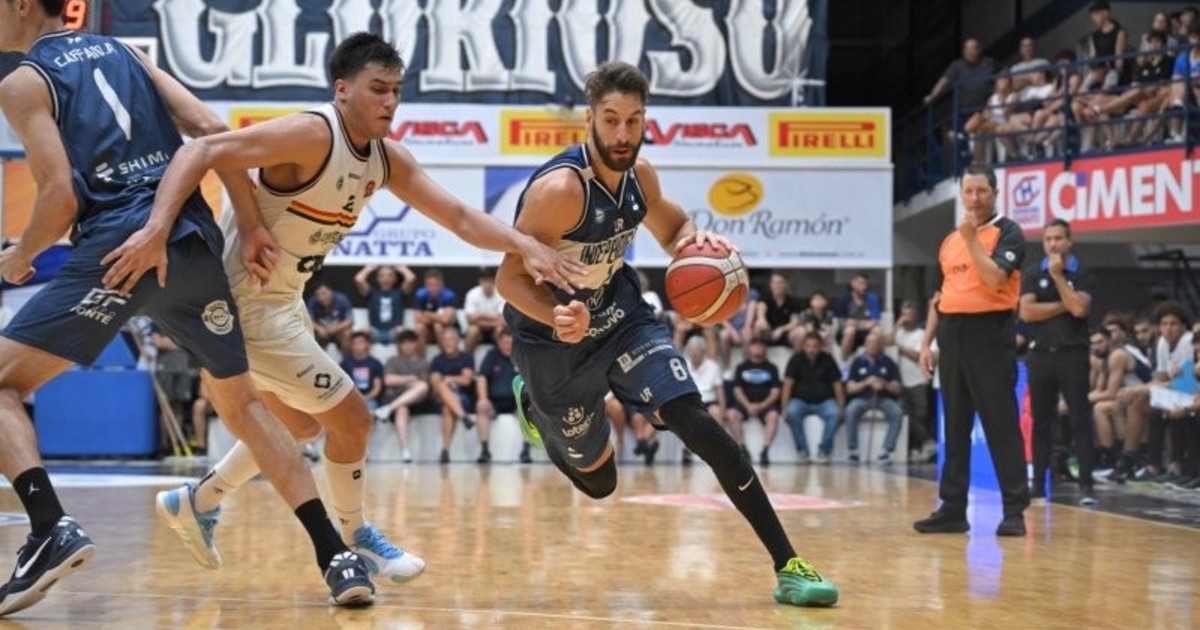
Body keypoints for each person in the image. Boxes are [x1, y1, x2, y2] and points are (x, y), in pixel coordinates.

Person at [110, 33, 582, 585]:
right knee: (352, 419)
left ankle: (199, 499)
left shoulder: (385, 158)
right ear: (342, 89)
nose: (390, 101)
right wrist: (159, 230)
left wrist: (524, 244)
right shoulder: (313, 133)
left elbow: (458, 217)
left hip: (284, 300)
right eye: (377, 89)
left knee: (301, 425)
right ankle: (356, 535)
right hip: (243, 304)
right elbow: (203, 149)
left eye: (396, 90)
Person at [0, 3, 375, 611]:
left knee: (0, 384)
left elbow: (60, 197)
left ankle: (49, 528)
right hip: (194, 247)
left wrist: (21, 255)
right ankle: (336, 556)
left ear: (21, 4)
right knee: (244, 407)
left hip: (123, 249)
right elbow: (211, 129)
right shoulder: (128, 53)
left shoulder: (22, 81)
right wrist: (248, 223)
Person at [497, 61, 837, 606]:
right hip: (552, 337)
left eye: (634, 120)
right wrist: (558, 314)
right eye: (611, 119)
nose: (623, 133)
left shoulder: (641, 176)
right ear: (590, 119)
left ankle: (789, 566)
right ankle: (537, 409)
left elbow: (675, 228)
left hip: (621, 316)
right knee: (599, 483)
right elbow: (509, 279)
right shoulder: (559, 191)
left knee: (700, 425)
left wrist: (701, 247)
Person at [914, 165, 1030, 537]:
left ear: (995, 193)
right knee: (955, 426)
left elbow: (995, 279)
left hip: (990, 336)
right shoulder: (950, 241)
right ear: (961, 194)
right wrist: (926, 343)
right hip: (952, 337)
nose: (975, 198)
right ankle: (952, 509)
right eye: (968, 191)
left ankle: (1014, 511)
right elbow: (940, 296)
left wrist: (973, 240)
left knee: (1001, 426)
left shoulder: (1008, 232)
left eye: (981, 191)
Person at [1019, 219, 1097, 506]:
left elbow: (1081, 309)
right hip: (1039, 354)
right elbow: (1027, 313)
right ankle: (1039, 485)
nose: (1052, 244)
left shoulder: (1082, 272)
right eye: (1048, 239)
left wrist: (1058, 278)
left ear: (1069, 241)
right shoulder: (1031, 273)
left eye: (1058, 238)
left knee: (1080, 419)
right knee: (1041, 421)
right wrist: (1066, 304)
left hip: (1072, 354)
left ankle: (1086, 485)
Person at [781, 332, 844, 464]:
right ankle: (803, 451)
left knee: (834, 413)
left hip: (824, 401)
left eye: (815, 346)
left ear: (820, 346)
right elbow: (787, 385)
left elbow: (837, 385)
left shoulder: (828, 360)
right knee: (792, 412)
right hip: (800, 401)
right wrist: (784, 408)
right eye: (808, 346)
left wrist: (841, 407)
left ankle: (824, 451)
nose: (811, 349)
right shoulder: (796, 359)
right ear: (803, 346)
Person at [843, 330, 905, 464]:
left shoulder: (888, 362)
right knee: (850, 410)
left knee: (897, 412)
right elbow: (849, 388)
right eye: (869, 343)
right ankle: (853, 450)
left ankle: (886, 451)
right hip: (862, 399)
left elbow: (897, 388)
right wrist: (866, 383)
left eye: (875, 343)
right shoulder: (857, 362)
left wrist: (884, 384)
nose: (872, 345)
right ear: (865, 345)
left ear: (880, 345)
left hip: (883, 399)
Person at [375, 330, 432, 463]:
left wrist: (401, 381)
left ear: (416, 344)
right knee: (402, 408)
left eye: (410, 343)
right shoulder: (393, 361)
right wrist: (410, 378)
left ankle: (388, 409)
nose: (407, 346)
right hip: (395, 397)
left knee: (423, 387)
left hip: (417, 401)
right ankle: (405, 451)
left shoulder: (423, 363)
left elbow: (423, 385)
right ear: (399, 345)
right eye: (404, 343)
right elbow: (388, 380)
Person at [890, 301, 936, 462]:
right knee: (907, 416)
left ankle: (922, 446)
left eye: (910, 314)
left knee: (920, 415)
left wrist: (899, 348)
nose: (907, 318)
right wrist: (897, 325)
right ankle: (923, 444)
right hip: (901, 382)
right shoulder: (898, 333)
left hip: (918, 381)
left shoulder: (921, 334)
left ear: (916, 316)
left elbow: (918, 355)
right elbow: (886, 343)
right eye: (904, 314)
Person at [728, 338, 784, 467]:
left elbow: (775, 392)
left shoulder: (772, 368)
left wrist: (762, 405)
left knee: (773, 416)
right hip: (745, 404)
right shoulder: (741, 367)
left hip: (766, 404)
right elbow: (737, 390)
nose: (757, 348)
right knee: (731, 414)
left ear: (765, 349)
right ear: (749, 349)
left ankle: (765, 450)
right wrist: (748, 405)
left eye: (760, 346)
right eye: (754, 346)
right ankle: (742, 448)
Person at [430, 327, 479, 464]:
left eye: (451, 339)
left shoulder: (466, 358)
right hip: (439, 397)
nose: (448, 343)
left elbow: (466, 380)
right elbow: (435, 384)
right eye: (445, 340)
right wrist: (451, 381)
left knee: (447, 408)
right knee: (441, 386)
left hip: (462, 397)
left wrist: (448, 379)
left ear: (458, 341)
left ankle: (445, 450)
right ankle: (463, 417)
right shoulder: (437, 360)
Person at [474, 328, 520, 464]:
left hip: (517, 401)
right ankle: (484, 450)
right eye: (504, 343)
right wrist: (483, 399)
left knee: (531, 410)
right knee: (481, 408)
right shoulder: (492, 355)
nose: (507, 346)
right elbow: (481, 377)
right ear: (499, 342)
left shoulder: (522, 355)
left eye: (510, 343)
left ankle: (526, 450)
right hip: (494, 401)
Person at [355, 264, 416, 345]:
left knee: (402, 331)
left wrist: (399, 267)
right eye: (382, 276)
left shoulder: (400, 293)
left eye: (390, 276)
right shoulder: (371, 293)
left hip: (394, 332)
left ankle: (402, 354)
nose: (386, 279)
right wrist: (370, 267)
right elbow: (359, 279)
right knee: (364, 332)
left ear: (394, 279)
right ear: (377, 279)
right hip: (375, 331)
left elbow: (411, 278)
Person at [463, 267, 506, 353]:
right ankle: (467, 358)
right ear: (480, 281)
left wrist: (480, 316)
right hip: (480, 331)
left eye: (490, 281)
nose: (487, 284)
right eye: (485, 281)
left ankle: (501, 359)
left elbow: (503, 321)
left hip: (494, 330)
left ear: (495, 281)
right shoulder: (472, 294)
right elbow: (470, 320)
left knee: (500, 330)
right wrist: (493, 319)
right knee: (472, 331)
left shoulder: (501, 295)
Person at [413, 269, 458, 349]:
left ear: (441, 284)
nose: (432, 288)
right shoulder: (420, 295)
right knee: (420, 328)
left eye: (435, 285)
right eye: (429, 285)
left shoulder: (449, 296)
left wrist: (427, 314)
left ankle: (444, 355)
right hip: (428, 331)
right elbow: (418, 318)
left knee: (438, 326)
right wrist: (437, 318)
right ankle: (420, 357)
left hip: (447, 329)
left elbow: (446, 320)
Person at [340, 332, 384, 412]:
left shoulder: (375, 363)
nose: (358, 346)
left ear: (367, 344)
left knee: (370, 409)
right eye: (355, 343)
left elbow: (377, 388)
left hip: (370, 399)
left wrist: (365, 398)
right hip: (350, 399)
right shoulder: (345, 363)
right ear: (351, 345)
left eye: (361, 342)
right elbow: (343, 386)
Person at [307, 283, 355, 354]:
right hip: (322, 332)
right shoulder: (313, 302)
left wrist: (335, 328)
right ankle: (316, 357)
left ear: (331, 291)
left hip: (338, 330)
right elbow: (308, 320)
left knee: (347, 333)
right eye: (318, 295)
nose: (322, 298)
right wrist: (319, 329)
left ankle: (347, 358)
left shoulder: (341, 300)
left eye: (324, 293)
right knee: (308, 333)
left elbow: (350, 320)